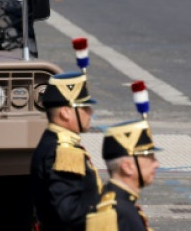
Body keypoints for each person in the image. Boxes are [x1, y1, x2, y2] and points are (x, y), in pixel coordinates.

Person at [30, 72, 102, 230]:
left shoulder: (54, 143)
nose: (90, 112)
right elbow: (68, 212)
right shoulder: (63, 151)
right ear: (66, 112)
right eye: (84, 107)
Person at [86, 119, 161, 231]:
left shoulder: (123, 206)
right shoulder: (113, 212)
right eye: (149, 157)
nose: (157, 164)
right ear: (127, 167)